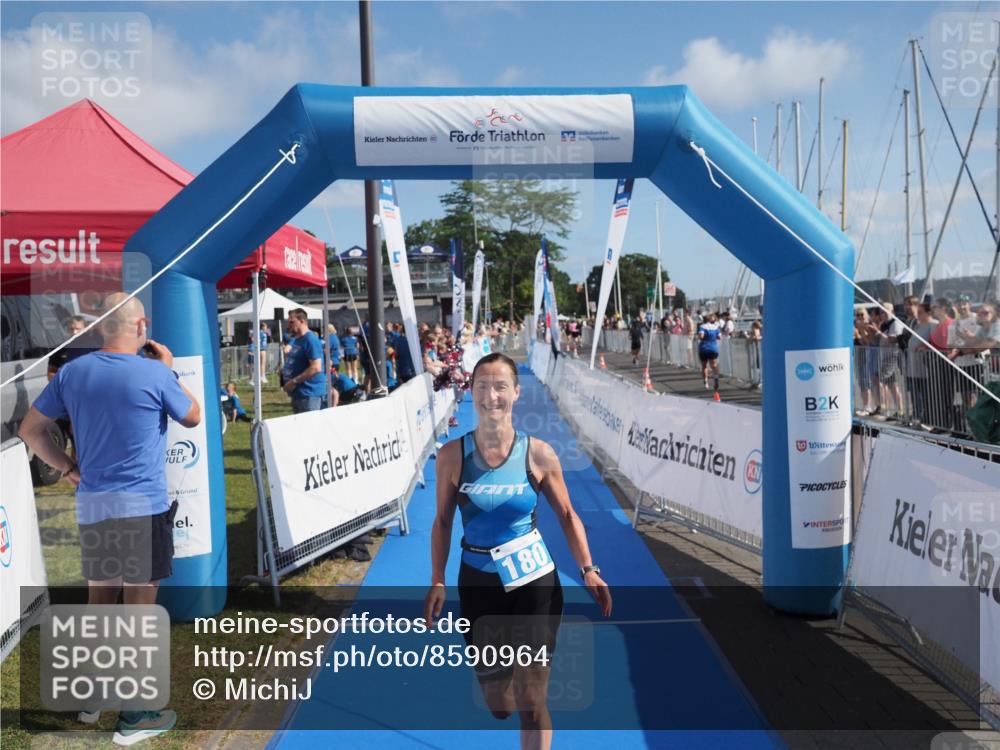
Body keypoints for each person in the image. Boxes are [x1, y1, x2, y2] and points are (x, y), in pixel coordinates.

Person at [18, 292, 201, 745]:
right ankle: (135, 715)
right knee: (138, 610)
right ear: (141, 327)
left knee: (100, 602)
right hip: (141, 507)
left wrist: (67, 467)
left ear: (101, 327)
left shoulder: (73, 372)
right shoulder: (154, 373)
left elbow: (30, 430)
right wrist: (168, 369)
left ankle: (92, 695)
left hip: (96, 505)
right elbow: (194, 416)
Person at [423, 353, 611, 750]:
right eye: (482, 386)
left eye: (500, 386)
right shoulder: (452, 456)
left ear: (516, 392)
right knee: (500, 705)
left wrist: (588, 568)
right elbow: (441, 522)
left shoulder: (538, 453)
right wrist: (437, 580)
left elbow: (567, 514)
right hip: (478, 583)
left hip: (533, 581)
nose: (491, 396)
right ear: (471, 391)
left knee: (531, 700)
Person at [281, 309, 326, 412]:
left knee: (309, 422)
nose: (289, 325)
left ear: (302, 321)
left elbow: (316, 367)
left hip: (309, 394)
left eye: (292, 322)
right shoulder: (297, 339)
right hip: (298, 393)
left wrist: (294, 382)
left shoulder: (310, 340)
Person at [697, 312, 722, 392]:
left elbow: (701, 336)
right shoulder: (716, 327)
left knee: (704, 366)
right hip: (713, 348)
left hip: (704, 348)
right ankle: (716, 379)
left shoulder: (702, 327)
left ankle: (706, 381)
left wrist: (700, 337)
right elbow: (719, 337)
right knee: (714, 365)